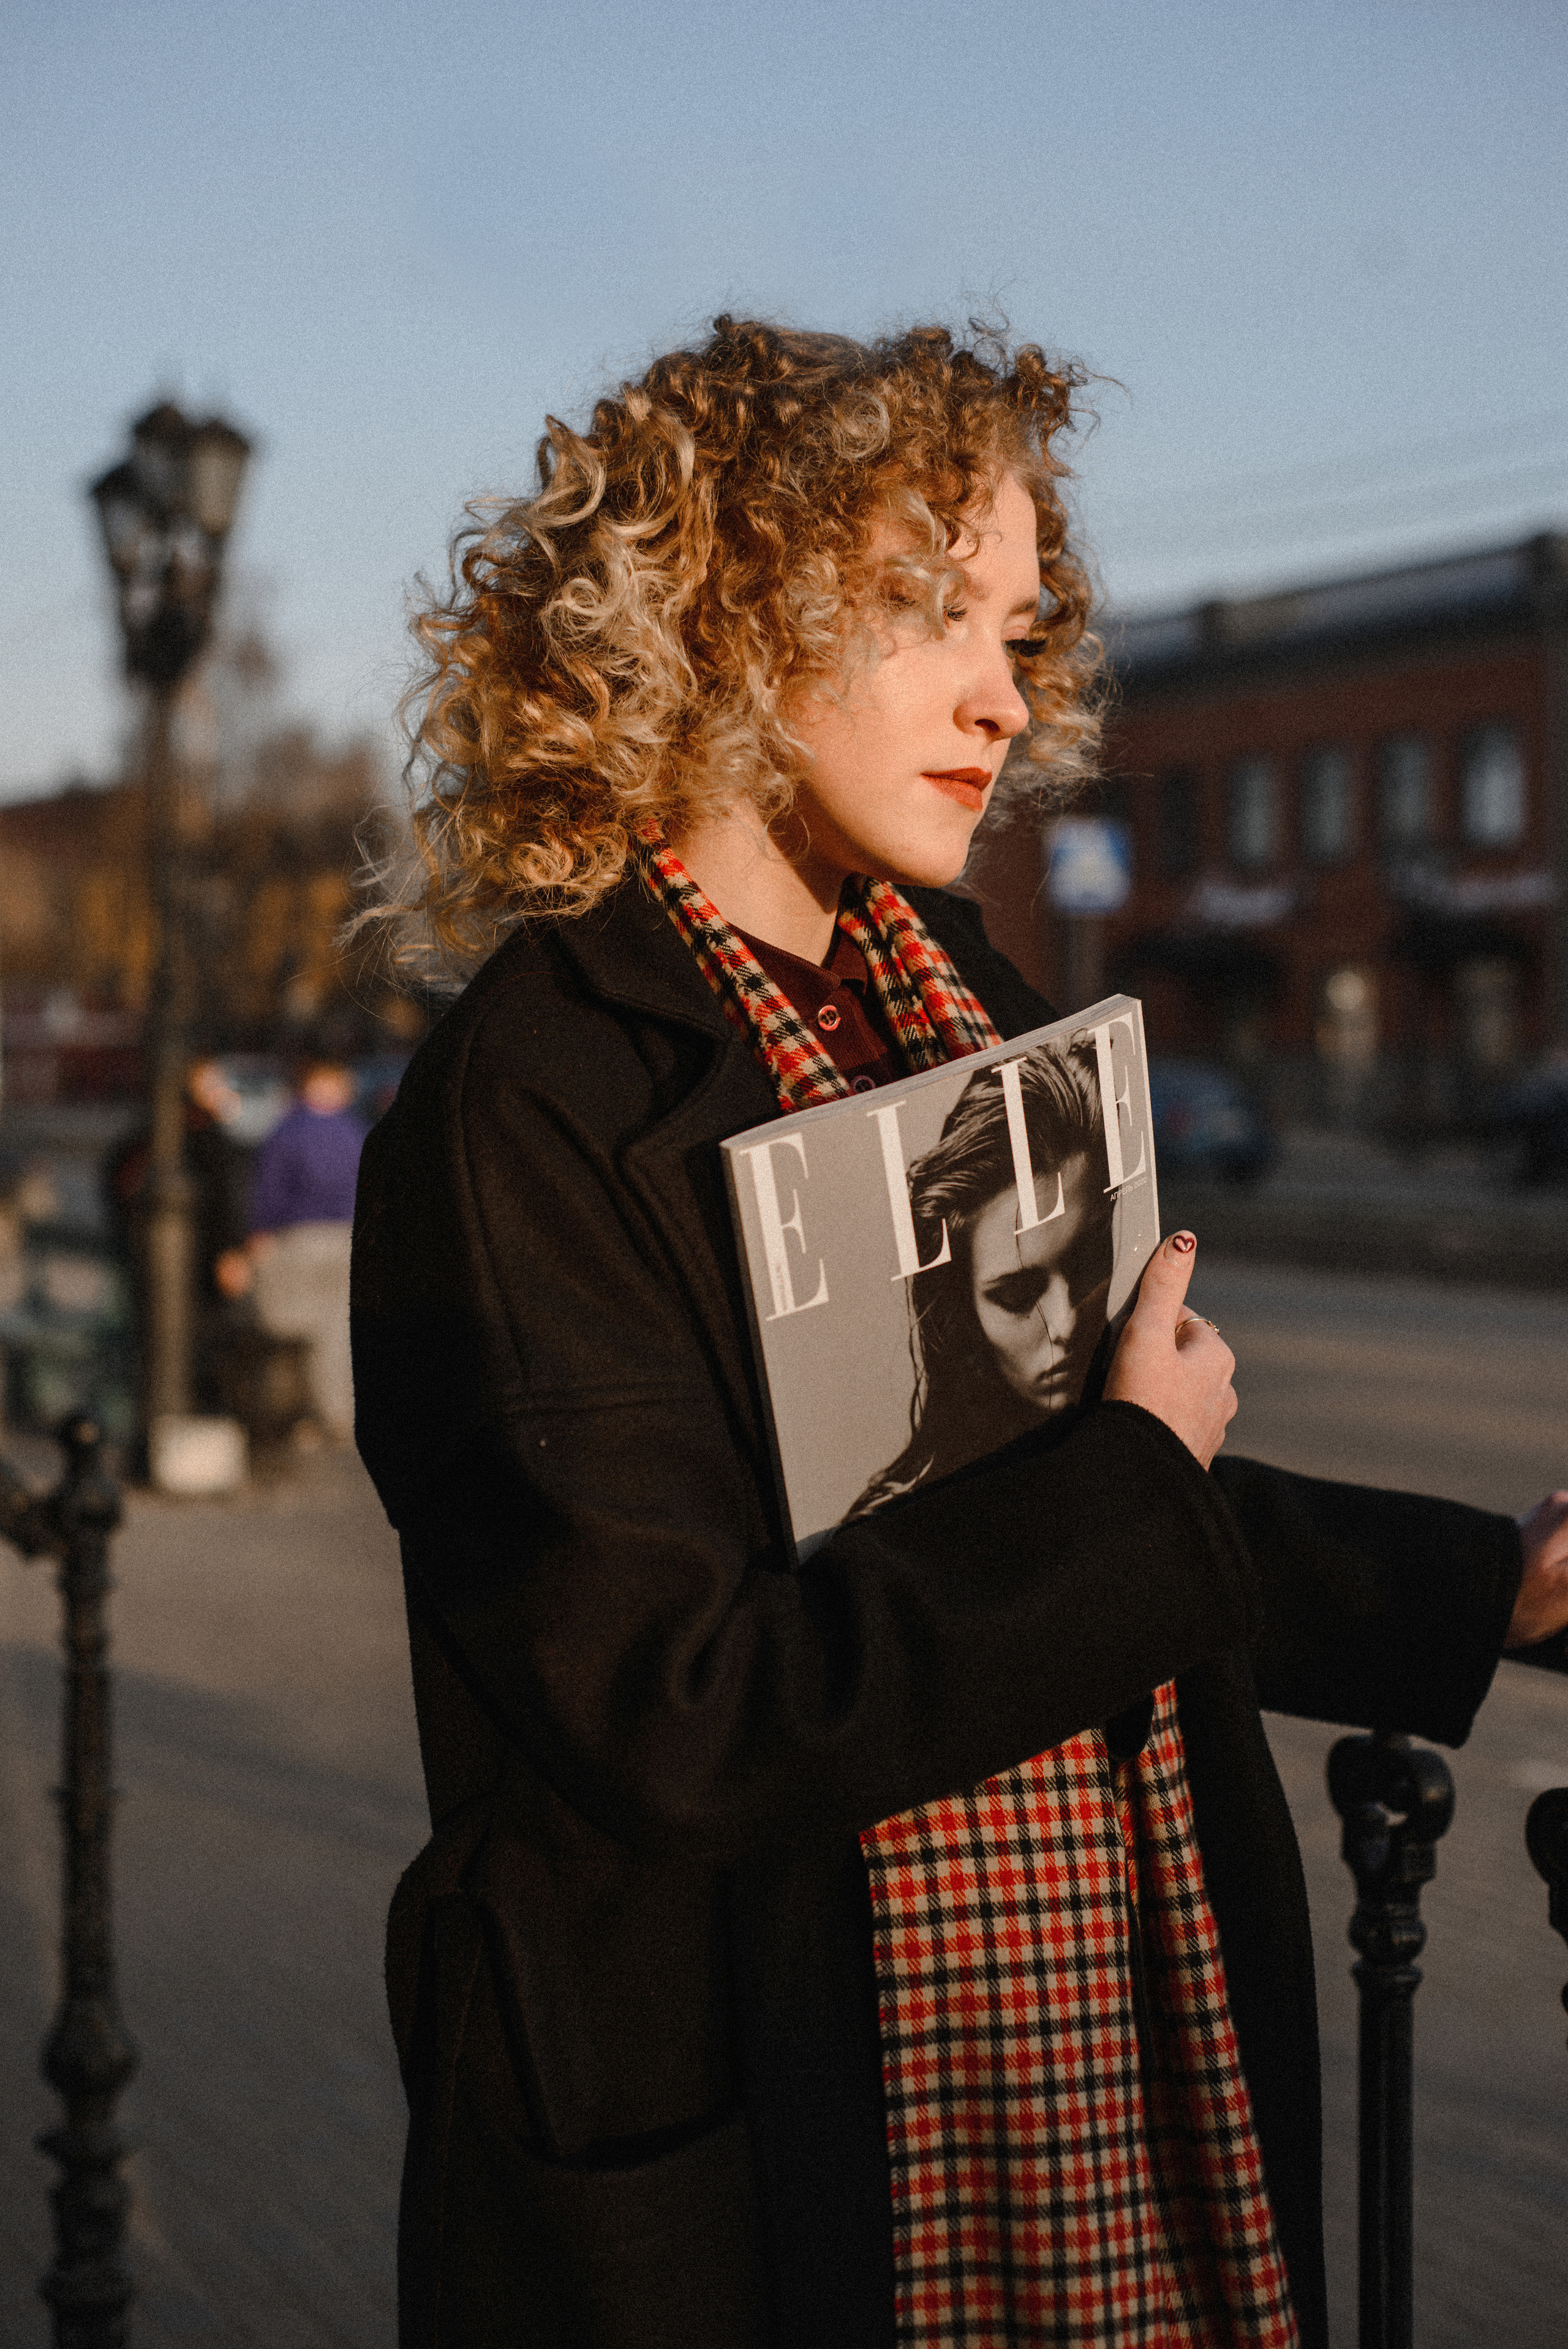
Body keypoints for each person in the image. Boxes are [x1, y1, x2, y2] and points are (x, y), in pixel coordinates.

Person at [349, 319, 1568, 2349]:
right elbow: (682, 1700)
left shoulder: (959, 999)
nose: (1008, 697)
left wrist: (1485, 1587)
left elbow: (1096, 1505)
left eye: (1020, 630)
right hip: (758, 2133)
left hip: (1098, 2055)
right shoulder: (527, 1101)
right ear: (717, 607)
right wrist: (1129, 1472)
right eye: (934, 614)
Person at [852, 1037, 1117, 1515]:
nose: (1065, 1324)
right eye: (1016, 1295)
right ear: (962, 1309)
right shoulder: (897, 1519)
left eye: (1087, 1267)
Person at [240, 1055, 366, 1439]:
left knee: (284, 1324)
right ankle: (338, 1413)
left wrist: (257, 1237)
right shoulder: (357, 1132)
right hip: (347, 1238)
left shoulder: (287, 1131)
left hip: (296, 1239)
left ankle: (291, 1412)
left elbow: (269, 1192)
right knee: (336, 1329)